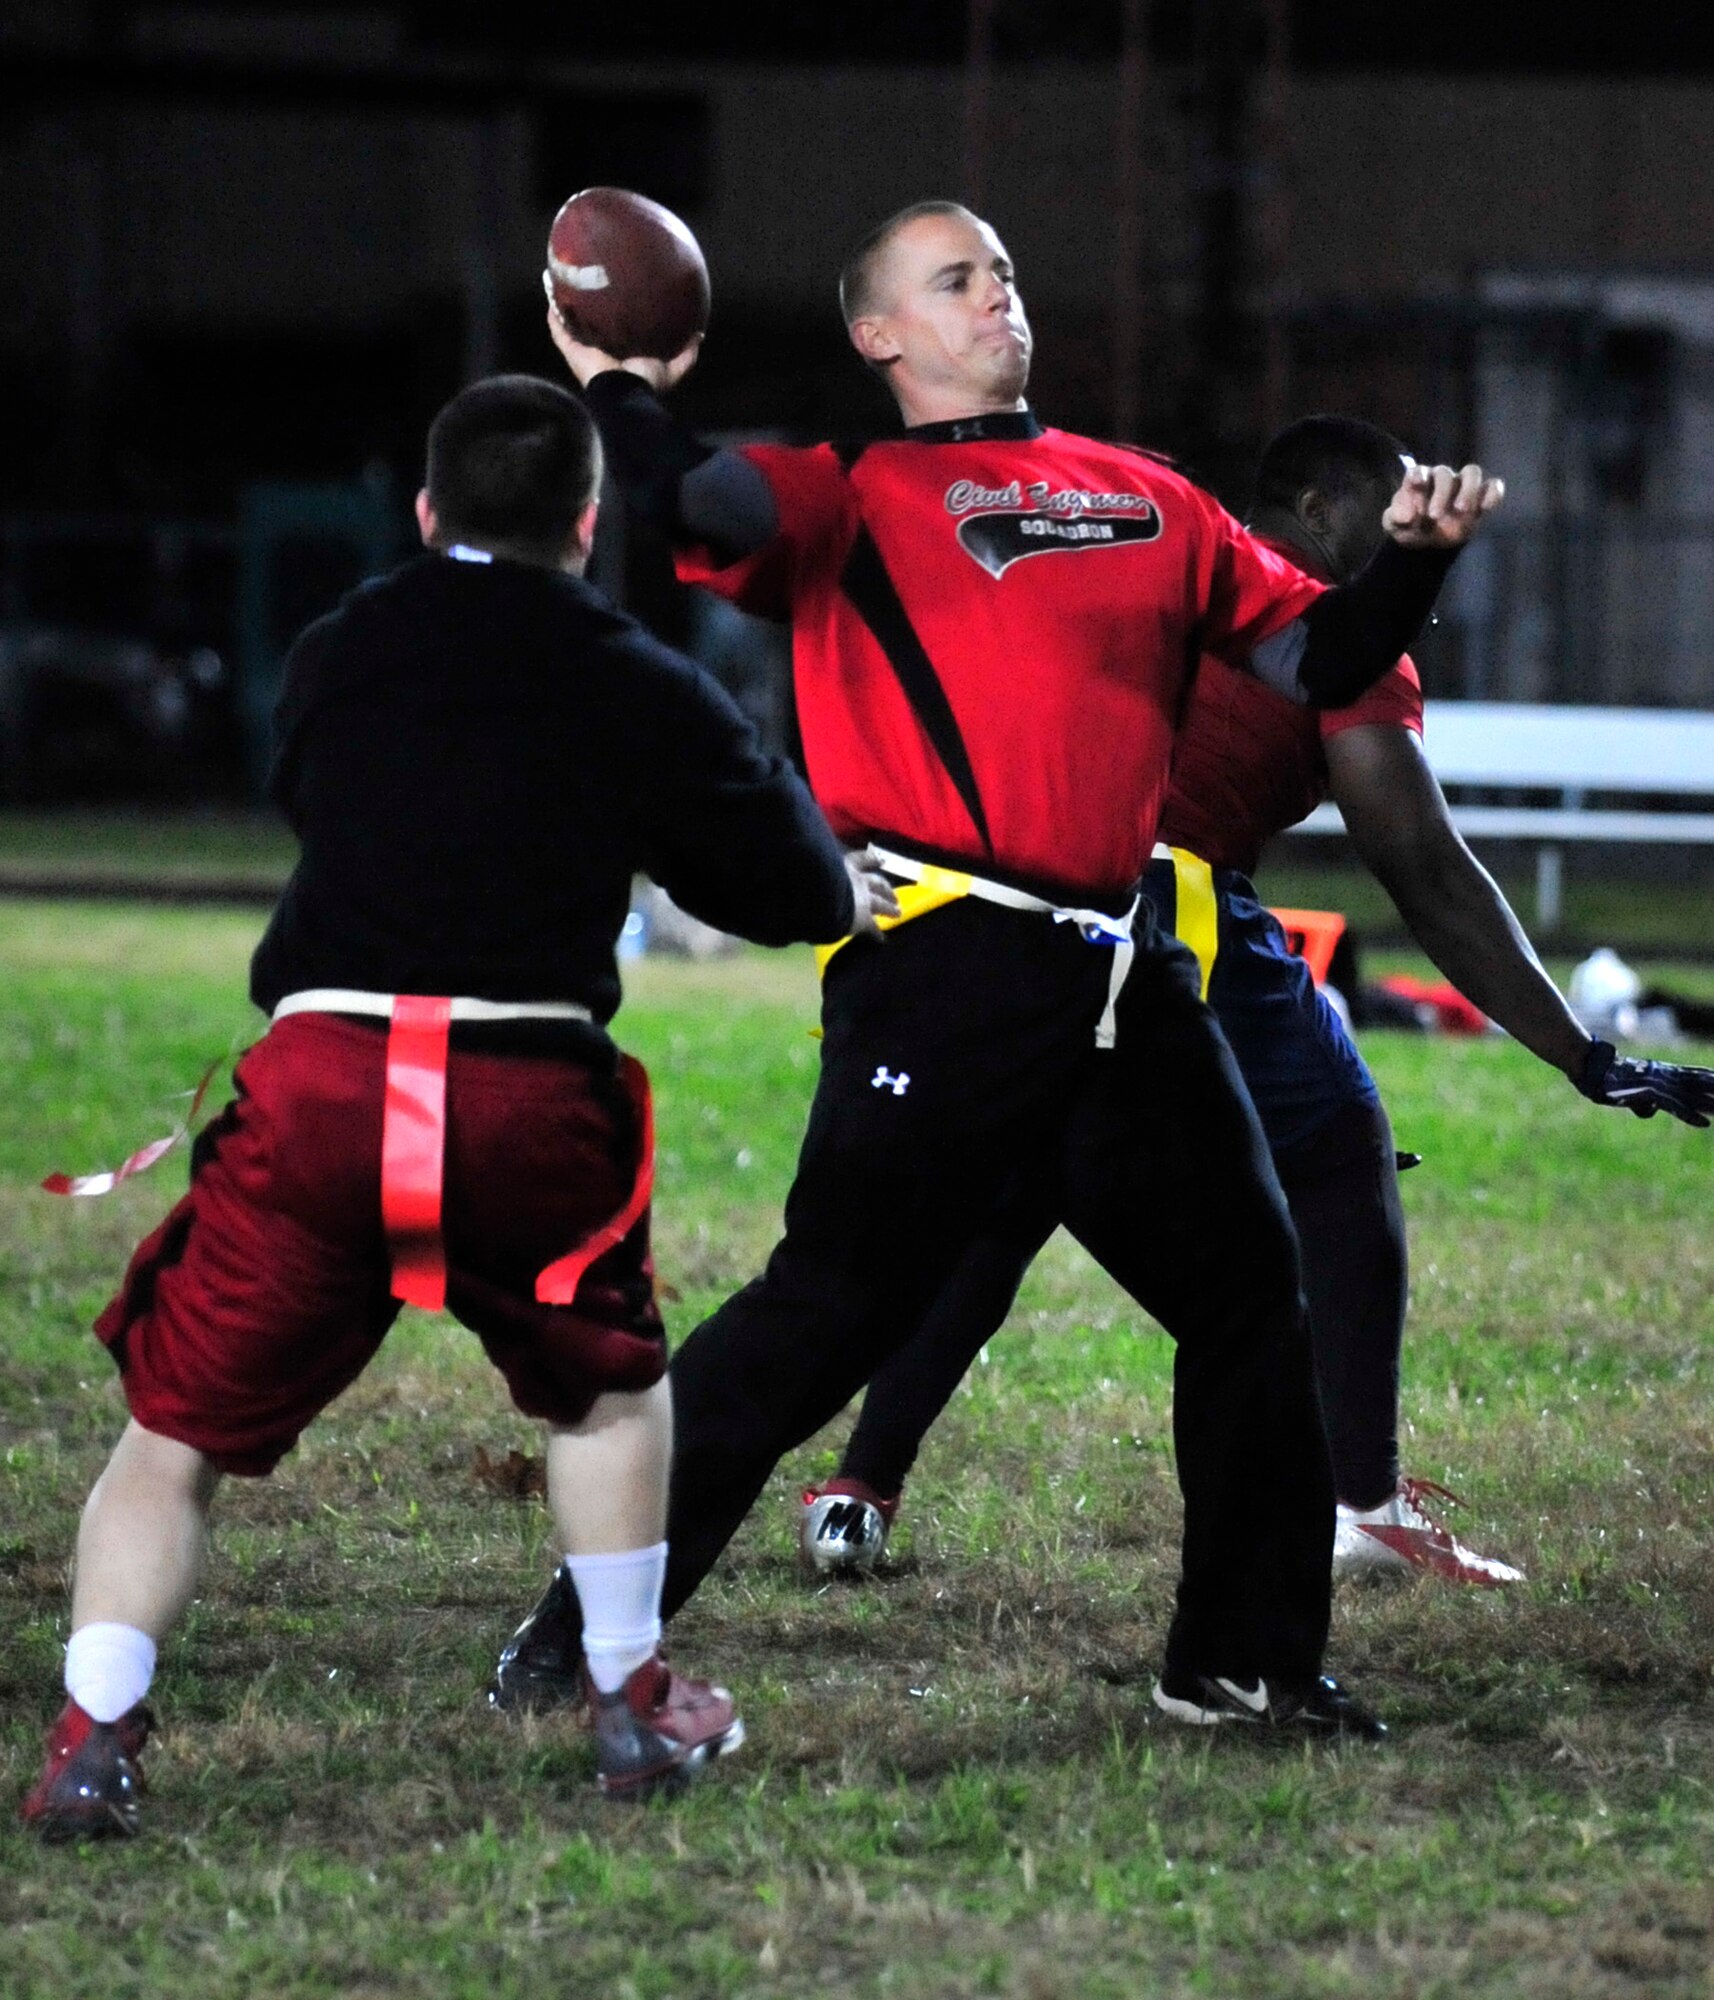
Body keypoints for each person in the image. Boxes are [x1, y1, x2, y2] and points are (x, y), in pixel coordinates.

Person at [493, 200, 1506, 1738]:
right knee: (817, 1317)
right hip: (944, 965)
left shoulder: (1145, 496)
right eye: (951, 279)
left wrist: (1413, 566)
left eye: (1003, 272)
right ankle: (584, 1621)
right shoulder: (851, 491)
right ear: (878, 334)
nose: (993, 295)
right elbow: (685, 494)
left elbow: (1322, 663)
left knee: (1252, 1301)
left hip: (1120, 976)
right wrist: (615, 371)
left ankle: (1237, 1662)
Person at [20, 375, 883, 1839]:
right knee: (608, 1392)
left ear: (425, 513)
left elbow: (325, 792)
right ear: (587, 521)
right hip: (519, 1092)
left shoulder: (334, 651)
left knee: (171, 1439)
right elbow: (793, 887)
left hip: (321, 1088)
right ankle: (627, 1701)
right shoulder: (632, 678)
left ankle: (94, 1735)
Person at [792, 413, 1714, 1590]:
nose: (1415, 572)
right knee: (1334, 1151)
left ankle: (855, 1488)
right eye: (1392, 529)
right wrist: (1580, 1051)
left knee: (1011, 1180)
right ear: (1323, 514)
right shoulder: (1311, 625)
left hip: (981, 909)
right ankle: (1361, 1502)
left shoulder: (1153, 549)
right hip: (1161, 906)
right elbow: (1422, 866)